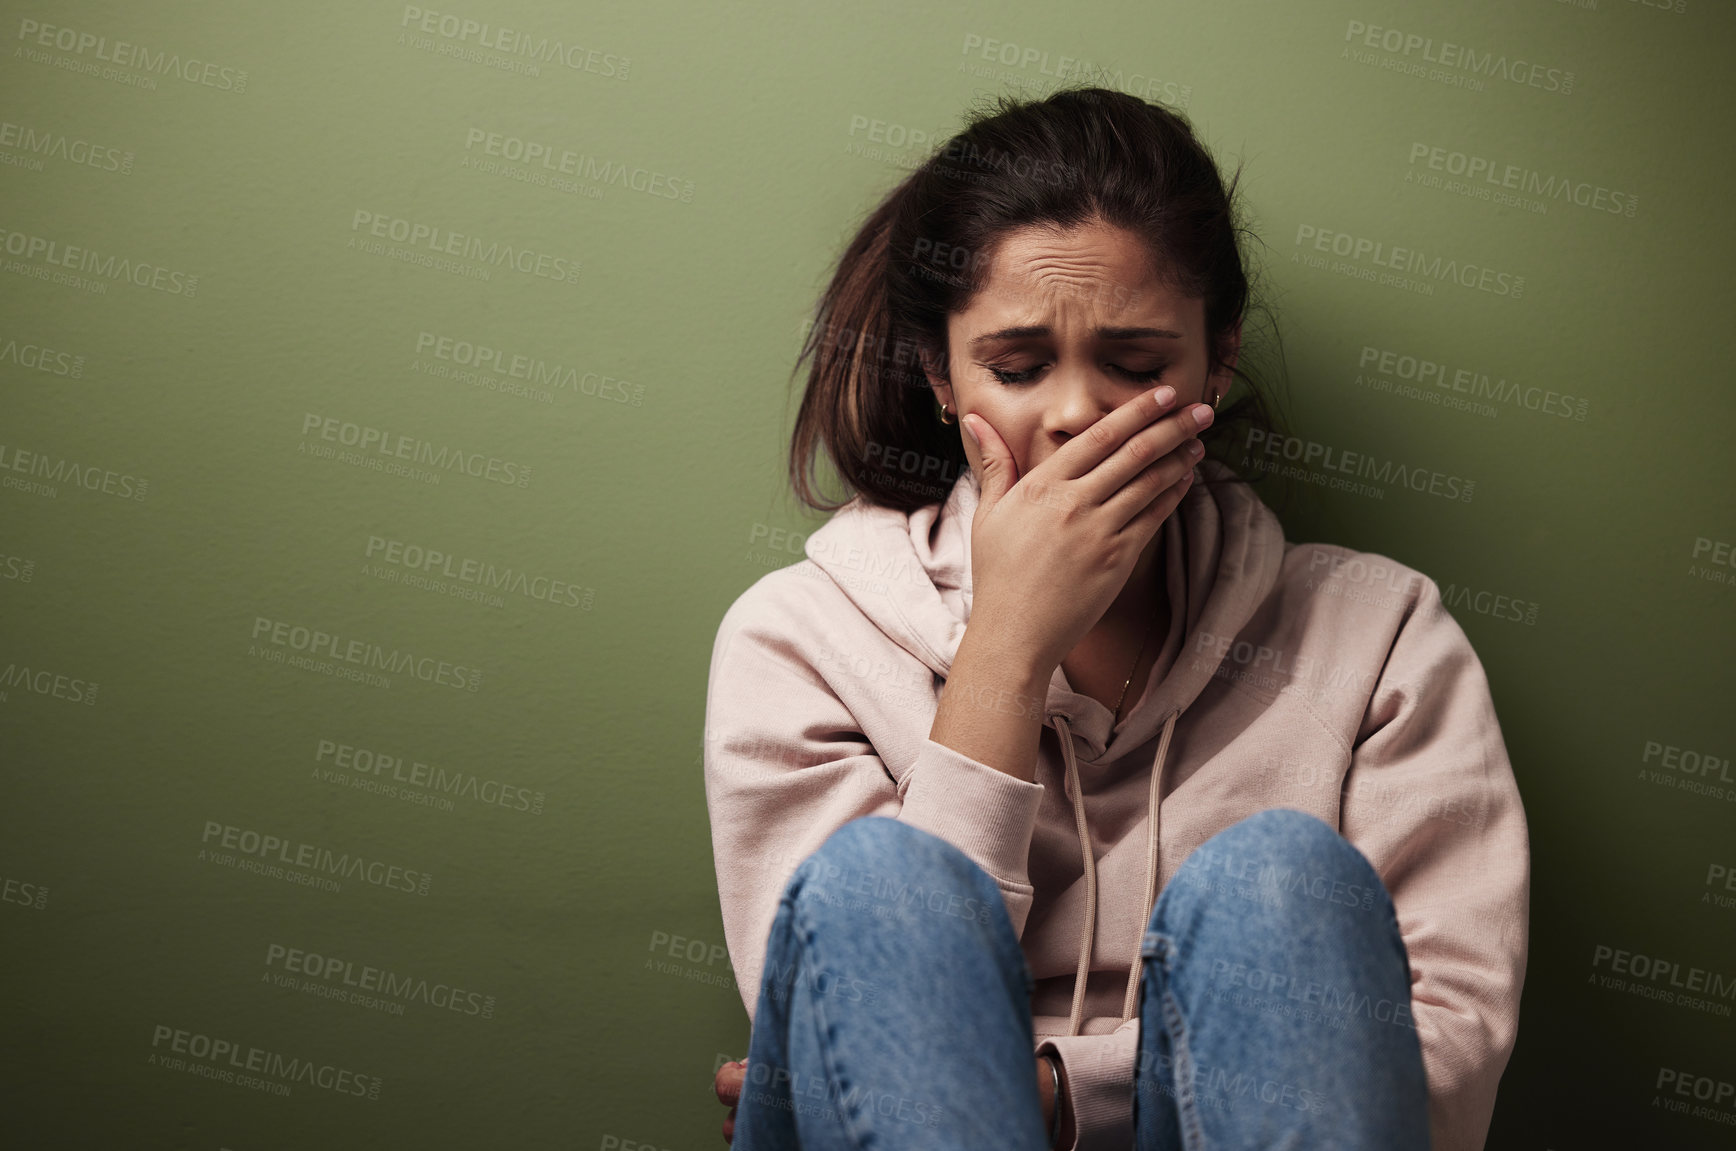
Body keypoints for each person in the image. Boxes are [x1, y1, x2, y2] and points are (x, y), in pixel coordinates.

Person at [703, 86, 1529, 1150]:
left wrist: (1059, 1095)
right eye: (1014, 367)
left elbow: (1439, 1070)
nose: (1073, 414)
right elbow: (842, 1045)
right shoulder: (798, 637)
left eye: (1136, 366)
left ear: (1214, 362)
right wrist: (1006, 645)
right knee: (882, 883)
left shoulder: (1380, 639)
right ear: (938, 375)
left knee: (1281, 876)